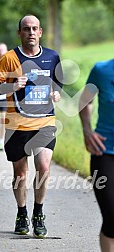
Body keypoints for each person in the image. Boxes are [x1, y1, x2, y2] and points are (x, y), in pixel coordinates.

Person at [0, 15, 62, 238]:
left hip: (45, 122)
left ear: (40, 32)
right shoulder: (9, 58)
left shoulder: (52, 56)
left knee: (44, 168)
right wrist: (11, 85)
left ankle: (38, 213)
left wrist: (56, 92)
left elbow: (57, 81)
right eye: (26, 29)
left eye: (35, 28)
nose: (31, 32)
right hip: (17, 124)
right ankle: (22, 212)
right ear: (19, 33)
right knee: (20, 173)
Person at [79, 59, 114, 251]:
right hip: (105, 152)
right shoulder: (101, 70)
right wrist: (87, 131)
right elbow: (85, 101)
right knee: (112, 218)